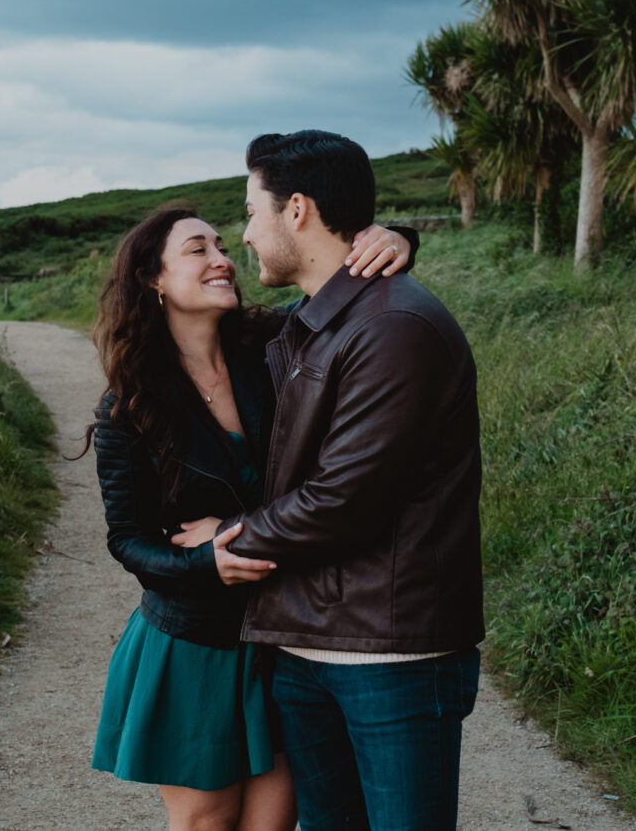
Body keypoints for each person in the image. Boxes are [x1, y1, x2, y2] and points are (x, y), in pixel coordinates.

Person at [177, 130, 484, 831]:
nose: (245, 236)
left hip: (390, 652)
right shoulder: (310, 324)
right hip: (307, 643)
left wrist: (229, 537)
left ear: (298, 210)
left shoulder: (397, 327)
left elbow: (343, 501)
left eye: (252, 211)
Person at [87, 202, 418, 831]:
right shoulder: (129, 405)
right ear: (154, 280)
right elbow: (127, 541)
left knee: (273, 822)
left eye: (220, 245)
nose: (221, 260)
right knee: (208, 823)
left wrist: (398, 237)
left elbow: (341, 293)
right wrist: (205, 562)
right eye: (197, 250)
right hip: (194, 644)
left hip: (283, 637)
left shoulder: (271, 347)